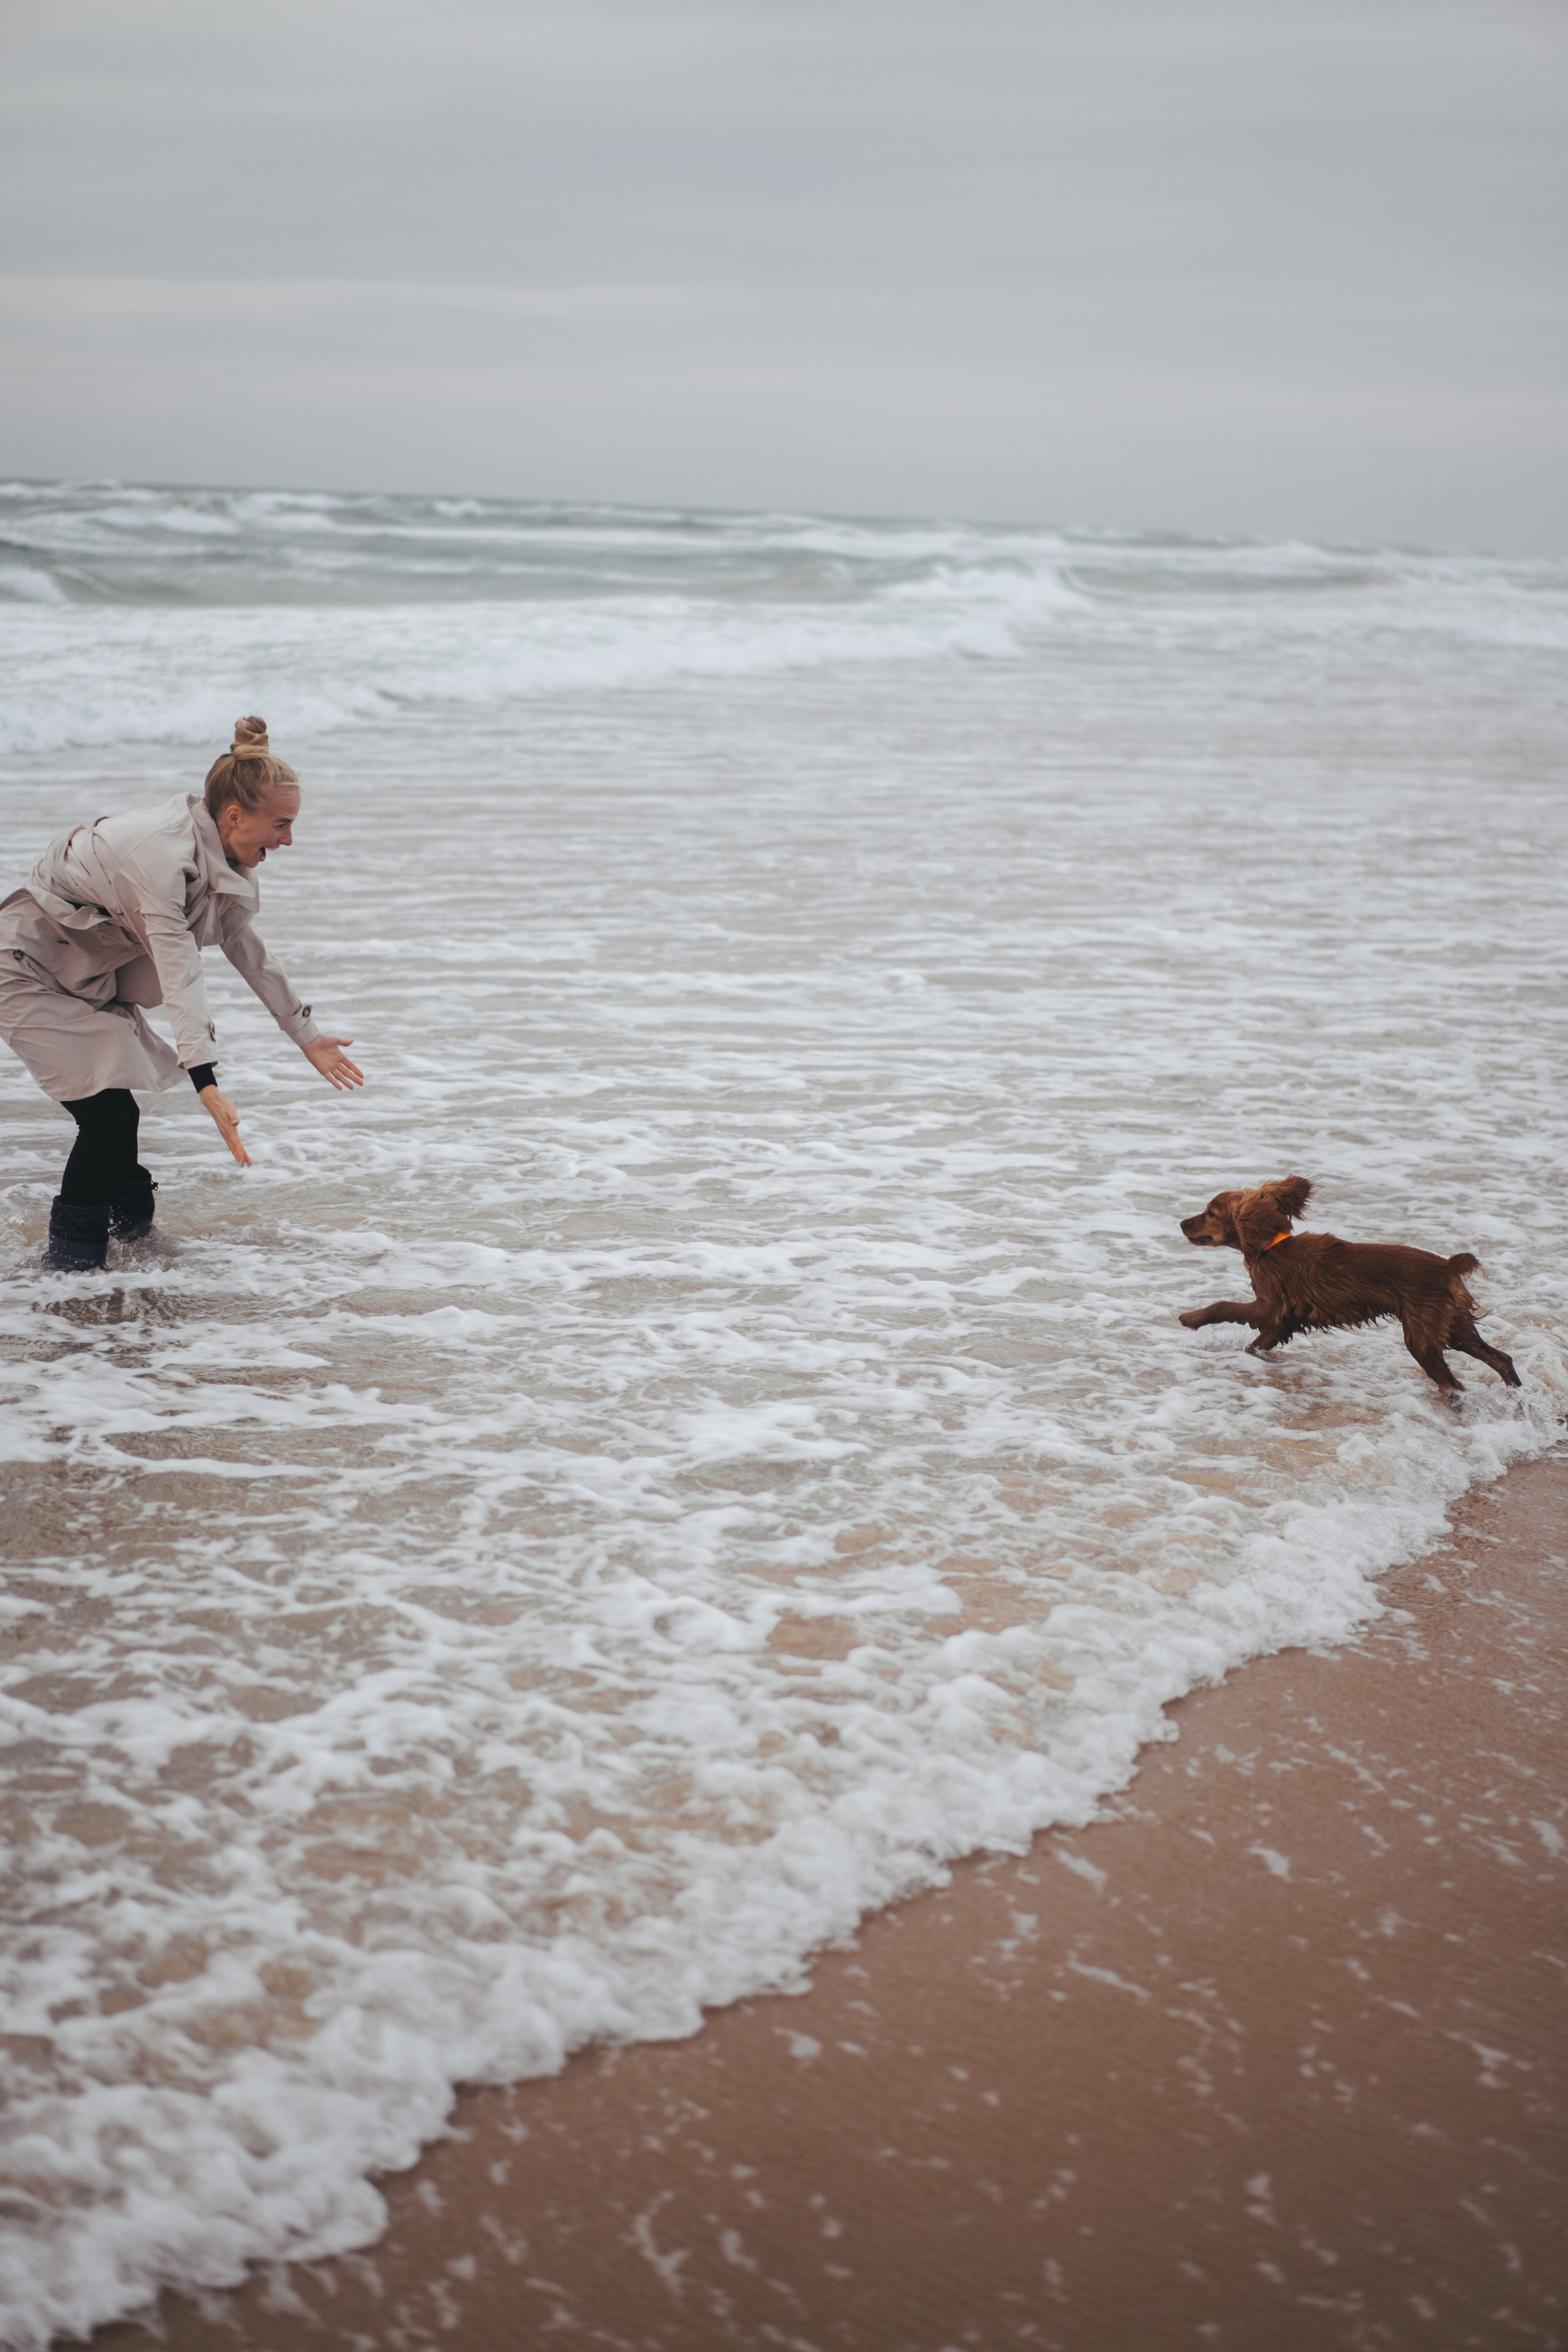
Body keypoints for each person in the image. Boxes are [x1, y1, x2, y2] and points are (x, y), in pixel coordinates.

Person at [0, 717, 363, 1271]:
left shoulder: (220, 856)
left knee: (118, 1112)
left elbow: (248, 950)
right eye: (282, 824)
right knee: (106, 1119)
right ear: (234, 815)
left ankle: (135, 1245)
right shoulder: (160, 856)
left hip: (88, 974)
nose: (288, 840)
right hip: (25, 970)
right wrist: (206, 1082)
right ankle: (70, 1268)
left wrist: (307, 1036)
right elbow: (180, 972)